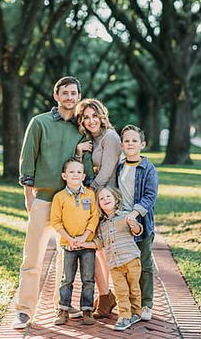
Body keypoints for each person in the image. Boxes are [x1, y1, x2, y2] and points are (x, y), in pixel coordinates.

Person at [12, 76, 94, 329]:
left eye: (74, 93)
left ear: (78, 96)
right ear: (56, 96)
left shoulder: (82, 129)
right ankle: (25, 310)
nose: (70, 97)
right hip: (44, 198)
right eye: (65, 93)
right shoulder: (39, 123)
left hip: (71, 203)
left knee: (66, 258)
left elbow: (86, 169)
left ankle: (63, 306)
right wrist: (29, 196)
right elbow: (28, 159)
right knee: (32, 256)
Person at [75, 98, 122, 318]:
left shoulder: (110, 137)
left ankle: (109, 296)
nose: (91, 120)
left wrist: (88, 193)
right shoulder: (90, 139)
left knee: (102, 249)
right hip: (95, 197)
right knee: (97, 249)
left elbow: (106, 172)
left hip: (106, 199)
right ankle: (105, 294)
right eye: (86, 117)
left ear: (102, 116)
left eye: (94, 115)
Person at [82, 186, 143, 331]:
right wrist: (84, 243)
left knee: (134, 289)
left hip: (131, 260)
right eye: (101, 198)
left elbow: (138, 230)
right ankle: (124, 316)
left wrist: (134, 225)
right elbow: (100, 243)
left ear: (116, 199)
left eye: (108, 196)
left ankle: (136, 312)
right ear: (99, 205)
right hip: (114, 265)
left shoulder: (125, 216)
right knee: (121, 291)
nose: (105, 199)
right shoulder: (101, 225)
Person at [117, 124, 158, 321]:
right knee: (126, 265)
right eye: (127, 141)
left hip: (142, 223)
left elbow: (150, 196)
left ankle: (146, 304)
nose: (130, 144)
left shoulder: (148, 168)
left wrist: (134, 213)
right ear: (122, 144)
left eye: (134, 140)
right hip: (121, 224)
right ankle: (130, 303)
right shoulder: (120, 167)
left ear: (142, 144)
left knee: (144, 264)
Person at [51, 158, 99, 326]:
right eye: (71, 172)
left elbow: (95, 218)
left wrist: (84, 237)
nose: (75, 175)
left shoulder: (90, 195)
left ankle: (87, 310)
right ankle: (63, 310)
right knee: (67, 279)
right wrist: (70, 239)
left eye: (79, 172)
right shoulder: (59, 197)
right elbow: (55, 221)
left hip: (86, 245)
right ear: (64, 175)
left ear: (84, 175)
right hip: (68, 244)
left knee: (88, 279)